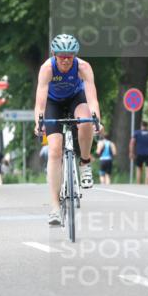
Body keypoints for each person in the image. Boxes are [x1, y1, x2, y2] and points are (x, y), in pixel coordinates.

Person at [34, 34, 101, 226]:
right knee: (55, 150)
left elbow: (92, 98)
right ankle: (55, 208)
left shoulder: (83, 67)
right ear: (54, 54)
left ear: (75, 55)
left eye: (69, 56)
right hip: (53, 103)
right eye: (61, 56)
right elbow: (40, 102)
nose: (65, 59)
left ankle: (85, 163)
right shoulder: (47, 68)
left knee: (86, 121)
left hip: (75, 98)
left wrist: (97, 118)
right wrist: (38, 122)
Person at [130, 120, 148, 185]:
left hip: (139, 153)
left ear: (141, 126)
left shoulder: (137, 133)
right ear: (147, 126)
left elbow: (132, 143)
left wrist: (131, 152)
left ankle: (138, 184)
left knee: (139, 169)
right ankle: (147, 184)